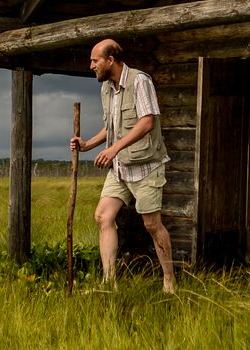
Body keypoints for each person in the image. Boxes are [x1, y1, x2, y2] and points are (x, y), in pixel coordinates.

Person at [69, 38, 175, 293]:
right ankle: (109, 282)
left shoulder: (140, 81)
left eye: (95, 60)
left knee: (151, 224)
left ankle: (169, 280)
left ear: (110, 60)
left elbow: (147, 122)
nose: (91, 65)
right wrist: (87, 145)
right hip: (121, 169)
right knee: (103, 216)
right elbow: (112, 127)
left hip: (146, 166)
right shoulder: (106, 89)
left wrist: (115, 148)